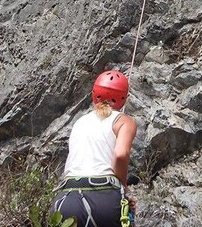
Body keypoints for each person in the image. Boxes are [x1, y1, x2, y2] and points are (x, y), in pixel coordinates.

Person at [50, 70, 138, 226]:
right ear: (124, 98)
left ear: (94, 93)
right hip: (102, 197)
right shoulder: (123, 121)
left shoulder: (80, 122)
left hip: (66, 199)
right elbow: (120, 154)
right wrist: (123, 190)